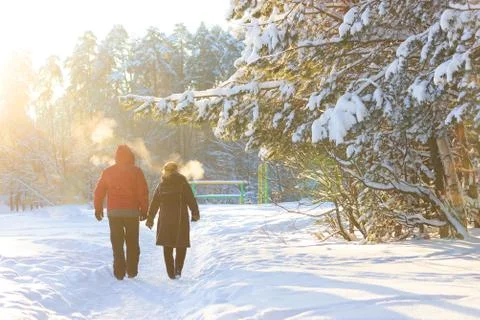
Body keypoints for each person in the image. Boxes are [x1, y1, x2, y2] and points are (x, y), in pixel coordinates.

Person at [94, 145, 149, 280]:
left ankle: (119, 272)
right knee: (132, 242)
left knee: (117, 242)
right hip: (131, 212)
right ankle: (132, 271)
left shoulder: (108, 171)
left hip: (114, 213)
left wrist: (98, 208)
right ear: (131, 156)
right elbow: (142, 192)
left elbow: (99, 191)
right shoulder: (136, 171)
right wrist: (144, 209)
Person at [146, 161, 200, 279]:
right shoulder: (183, 183)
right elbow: (191, 199)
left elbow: (155, 203)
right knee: (181, 245)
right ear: (176, 171)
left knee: (167, 245)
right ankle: (178, 270)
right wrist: (195, 213)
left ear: (165, 171)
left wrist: (150, 218)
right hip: (181, 218)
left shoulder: (161, 185)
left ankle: (170, 273)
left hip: (165, 219)